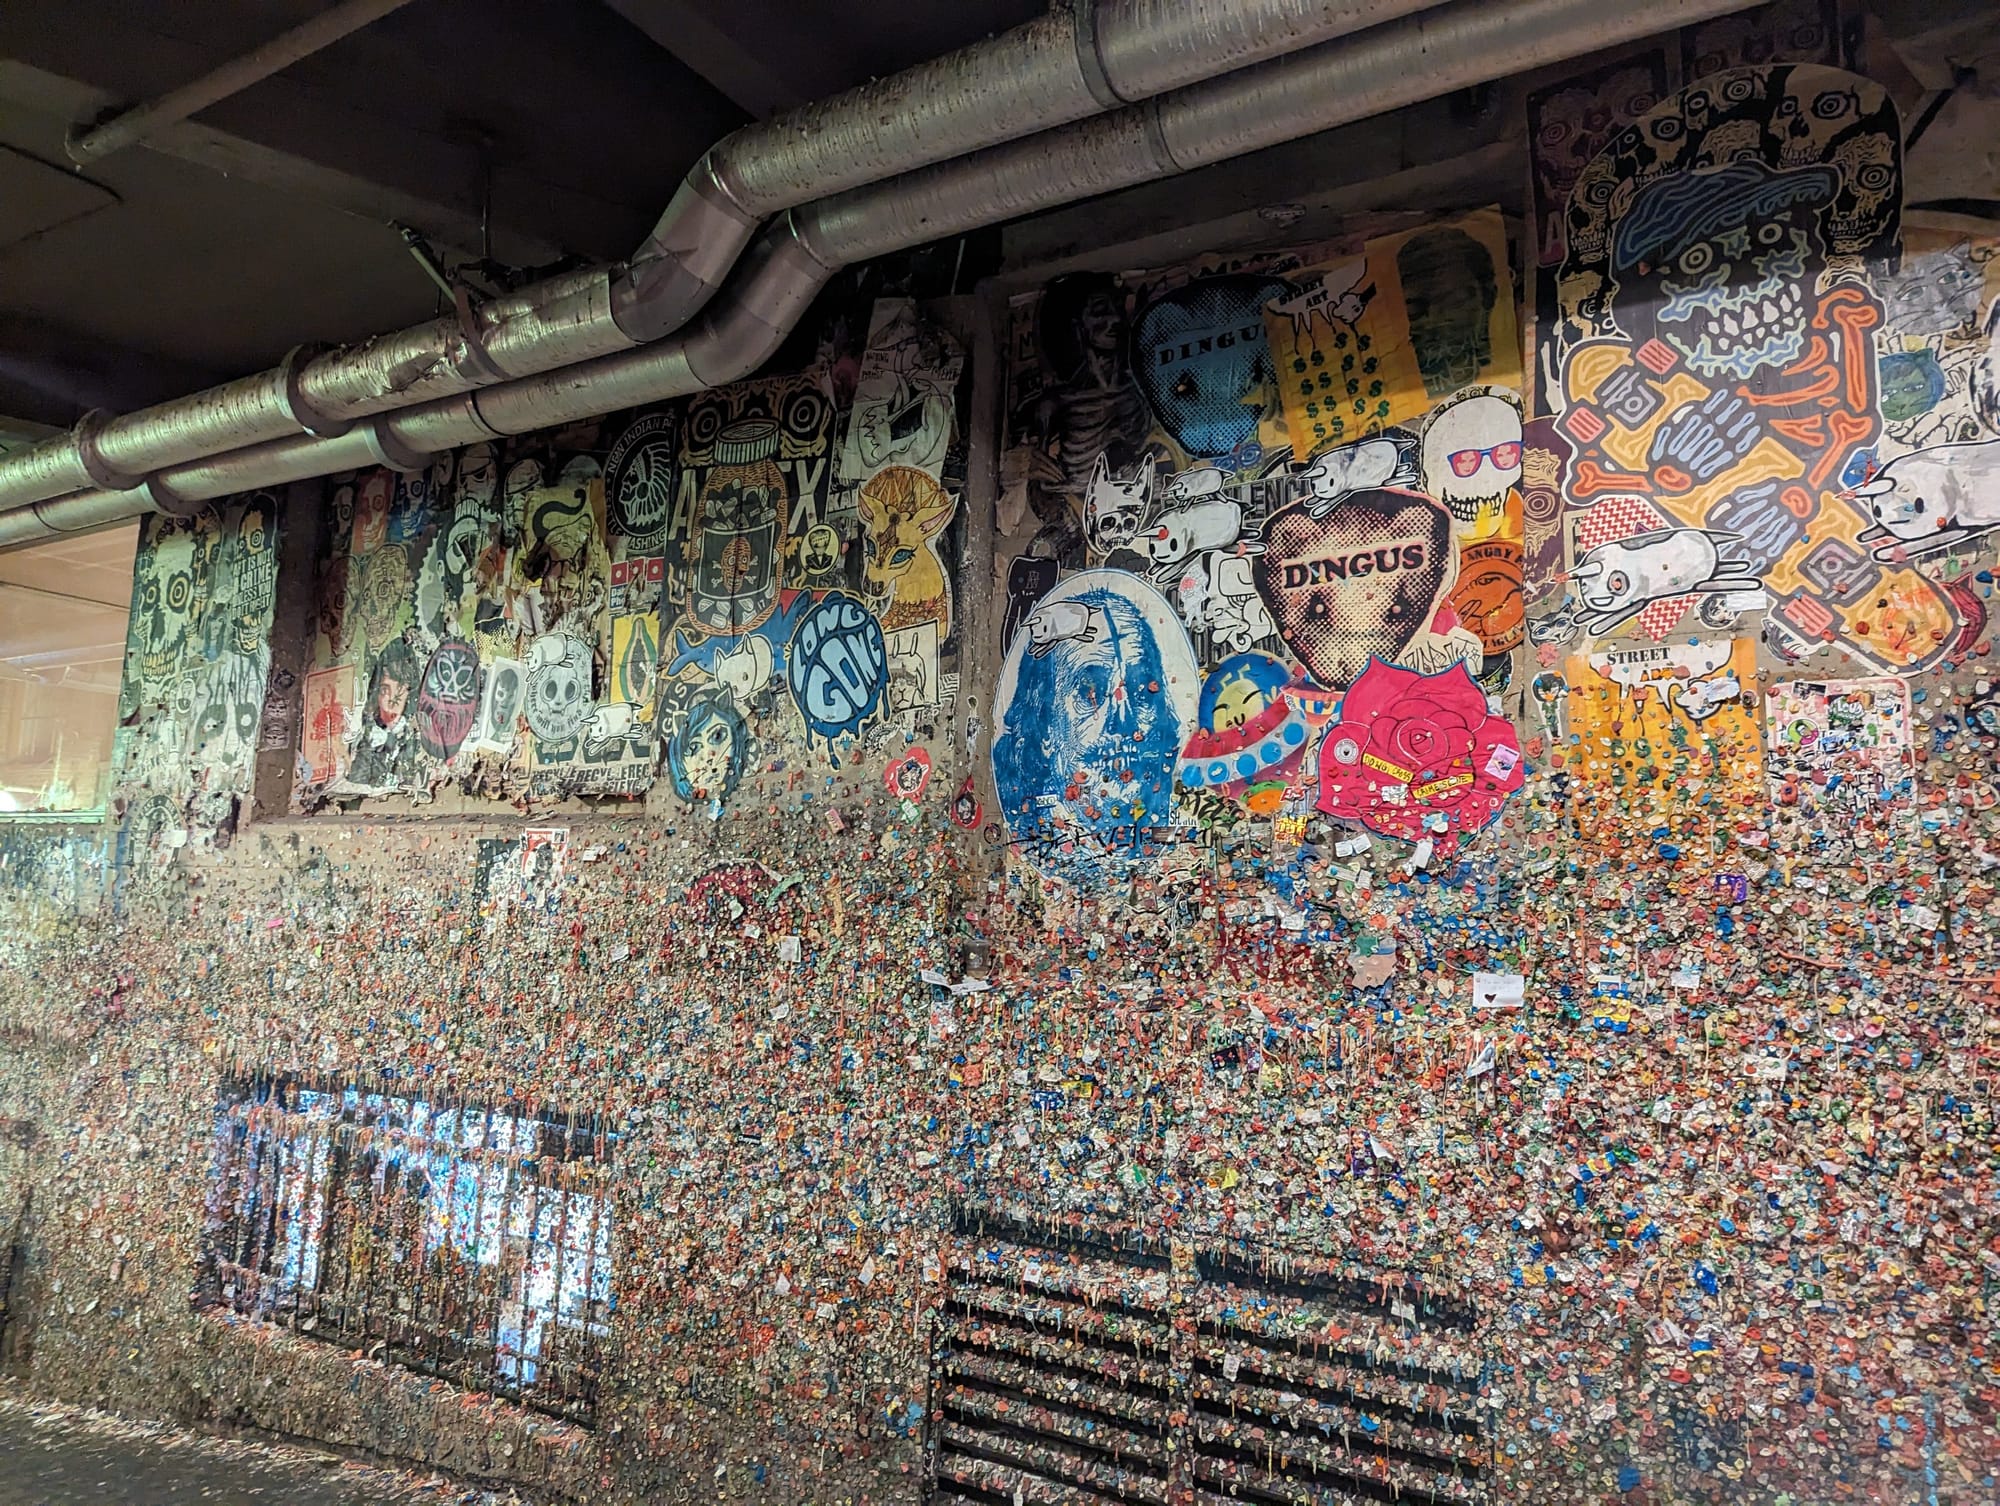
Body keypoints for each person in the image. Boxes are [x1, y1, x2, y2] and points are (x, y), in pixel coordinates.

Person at [992, 585, 1184, 855]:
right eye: (1089, 692)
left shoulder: (1168, 837)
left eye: (1142, 692)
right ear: (1045, 724)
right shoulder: (1035, 839)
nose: (1123, 724)